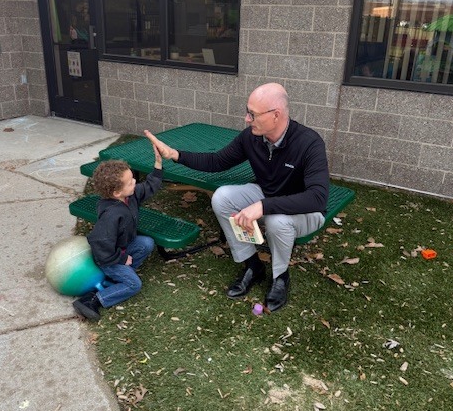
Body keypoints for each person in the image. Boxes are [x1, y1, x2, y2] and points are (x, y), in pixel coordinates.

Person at [144, 82, 329, 312]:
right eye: (247, 111)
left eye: (253, 114)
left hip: (306, 211)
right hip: (268, 195)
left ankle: (280, 276)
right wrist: (175, 154)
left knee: (276, 220)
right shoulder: (251, 138)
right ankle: (252, 264)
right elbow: (217, 161)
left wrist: (263, 206)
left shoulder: (309, 143)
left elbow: (318, 198)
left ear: (276, 115)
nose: (246, 119)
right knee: (222, 197)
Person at [72, 148, 163, 321]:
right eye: (130, 182)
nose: (135, 182)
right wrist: (121, 259)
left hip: (120, 248)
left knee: (146, 243)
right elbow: (99, 243)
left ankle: (117, 278)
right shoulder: (111, 215)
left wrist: (158, 165)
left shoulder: (129, 196)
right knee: (134, 285)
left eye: (133, 179)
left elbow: (150, 187)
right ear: (116, 193)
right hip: (108, 258)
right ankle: (92, 300)